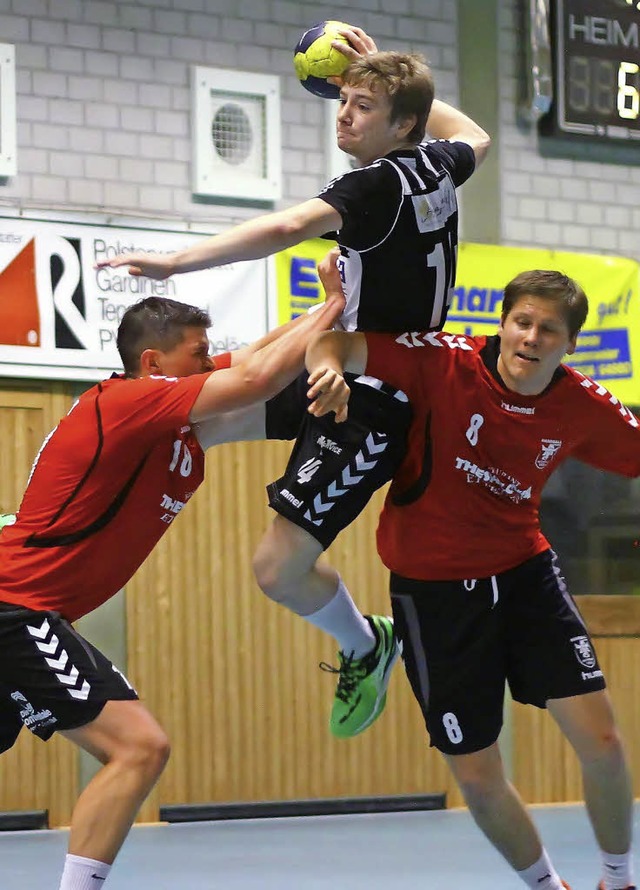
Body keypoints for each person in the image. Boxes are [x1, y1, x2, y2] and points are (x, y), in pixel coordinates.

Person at [96, 27, 492, 739]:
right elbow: (477, 134)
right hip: (337, 356)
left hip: (376, 397)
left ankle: (366, 644)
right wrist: (394, 81)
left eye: (363, 105)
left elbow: (286, 224)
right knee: (184, 425)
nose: (343, 115)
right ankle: (61, 531)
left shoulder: (373, 186)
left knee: (277, 570)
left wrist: (174, 262)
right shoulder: (438, 162)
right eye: (342, 99)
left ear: (400, 123)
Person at [0, 254, 345, 890]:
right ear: (154, 365)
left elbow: (253, 357)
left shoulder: (171, 427)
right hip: (14, 609)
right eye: (197, 355)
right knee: (138, 747)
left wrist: (328, 313)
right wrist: (334, 307)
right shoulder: (129, 403)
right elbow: (259, 378)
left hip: (26, 609)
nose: (209, 364)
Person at [304, 265, 637, 890]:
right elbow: (339, 341)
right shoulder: (444, 361)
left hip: (524, 576)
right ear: (503, 324)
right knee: (479, 775)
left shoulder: (583, 405)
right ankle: (546, 885)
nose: (531, 338)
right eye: (522, 322)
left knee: (605, 740)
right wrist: (327, 368)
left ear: (571, 344)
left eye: (549, 330)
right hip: (432, 594)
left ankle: (618, 880)